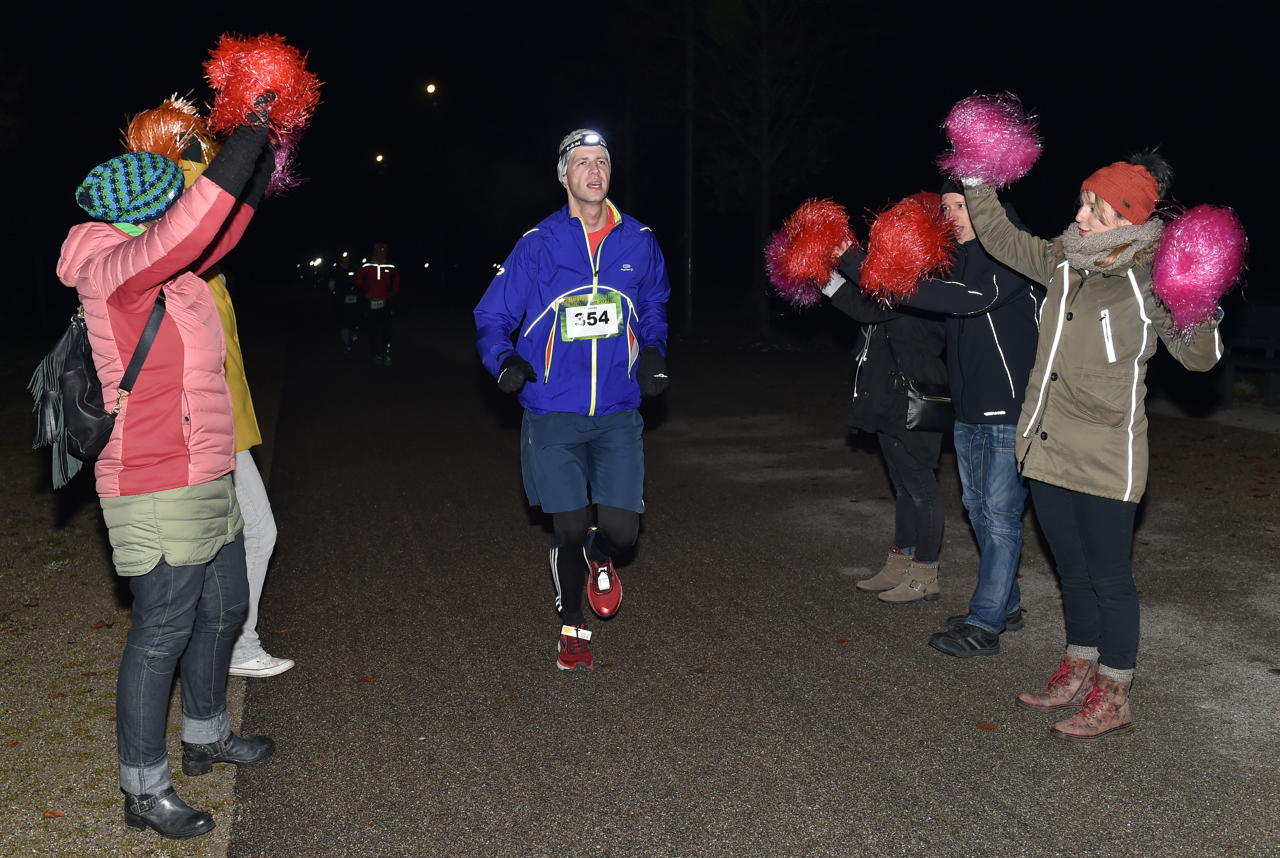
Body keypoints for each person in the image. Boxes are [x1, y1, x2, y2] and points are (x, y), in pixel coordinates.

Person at [58, 114, 277, 839]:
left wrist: (258, 162)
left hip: (206, 469)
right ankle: (144, 788)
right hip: (154, 479)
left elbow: (216, 232)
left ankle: (207, 734)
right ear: (146, 211)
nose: (183, 204)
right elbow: (189, 228)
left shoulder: (173, 272)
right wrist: (237, 148)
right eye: (172, 195)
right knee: (161, 632)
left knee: (222, 611)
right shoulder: (113, 269)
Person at [961, 150, 1223, 739]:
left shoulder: (1151, 278)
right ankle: (1078, 666)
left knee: (1109, 578)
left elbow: (1201, 359)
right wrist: (977, 180)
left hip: (1107, 456)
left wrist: (1198, 298)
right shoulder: (1062, 260)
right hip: (1048, 445)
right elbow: (1002, 238)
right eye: (1083, 202)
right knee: (1071, 574)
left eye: (1095, 211)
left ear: (1127, 221)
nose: (1079, 216)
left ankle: (1115, 692)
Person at [474, 129, 670, 671]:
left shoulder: (639, 240)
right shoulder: (537, 245)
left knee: (622, 531)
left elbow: (654, 304)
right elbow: (490, 317)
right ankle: (572, 628)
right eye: (582, 162)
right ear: (564, 176)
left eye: (602, 161)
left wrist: (653, 350)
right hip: (552, 412)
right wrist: (505, 361)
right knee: (566, 523)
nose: (594, 170)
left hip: (617, 412)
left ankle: (600, 553)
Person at [847, 180, 1043, 656]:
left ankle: (986, 623)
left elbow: (967, 299)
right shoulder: (959, 259)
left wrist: (857, 262)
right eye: (950, 206)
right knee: (978, 512)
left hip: (1009, 410)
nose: (953, 214)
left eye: (963, 204)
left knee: (999, 519)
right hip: (969, 410)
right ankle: (1006, 607)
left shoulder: (1015, 253)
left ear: (988, 205)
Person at [824, 217, 949, 605]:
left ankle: (926, 573)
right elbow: (868, 301)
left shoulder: (923, 287)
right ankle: (901, 562)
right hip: (889, 398)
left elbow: (866, 308)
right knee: (903, 487)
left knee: (922, 490)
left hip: (916, 401)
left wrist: (835, 266)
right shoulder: (895, 286)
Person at [355, 242, 400, 364]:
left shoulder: (390, 265)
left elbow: (396, 277)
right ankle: (375, 354)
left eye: (384, 250)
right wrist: (367, 290)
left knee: (386, 329)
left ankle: (385, 353)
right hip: (371, 301)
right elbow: (358, 278)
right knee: (372, 329)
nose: (382, 252)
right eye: (379, 250)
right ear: (374, 252)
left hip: (386, 301)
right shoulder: (367, 265)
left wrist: (394, 291)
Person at [329, 253, 360, 351]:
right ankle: (346, 344)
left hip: (353, 300)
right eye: (344, 258)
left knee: (354, 320)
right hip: (341, 300)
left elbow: (359, 282)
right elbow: (331, 285)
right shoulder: (336, 269)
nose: (346, 260)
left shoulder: (354, 268)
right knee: (343, 321)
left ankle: (354, 336)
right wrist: (338, 293)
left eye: (347, 258)